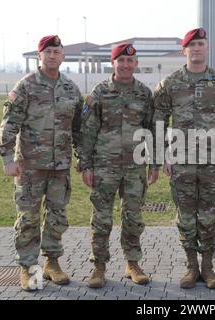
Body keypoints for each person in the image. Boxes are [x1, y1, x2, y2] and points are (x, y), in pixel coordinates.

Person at [152, 28, 215, 289]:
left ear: (206, 48)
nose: (197, 48)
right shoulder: (170, 83)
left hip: (212, 161)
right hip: (181, 161)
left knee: (209, 215)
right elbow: (159, 120)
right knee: (186, 216)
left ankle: (208, 268)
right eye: (192, 45)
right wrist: (161, 155)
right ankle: (191, 266)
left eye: (201, 44)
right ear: (184, 50)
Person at [0, 35, 83, 291]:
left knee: (57, 217)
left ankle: (52, 263)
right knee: (29, 219)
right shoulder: (26, 86)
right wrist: (6, 158)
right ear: (40, 56)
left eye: (57, 51)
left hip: (60, 167)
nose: (53, 55)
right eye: (48, 51)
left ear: (63, 56)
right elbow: (9, 122)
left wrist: (82, 159)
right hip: (30, 167)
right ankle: (28, 269)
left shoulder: (71, 89)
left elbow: (79, 129)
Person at [80, 44, 157, 288]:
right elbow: (88, 130)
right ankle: (99, 266)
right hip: (105, 166)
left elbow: (152, 129)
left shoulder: (144, 94)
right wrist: (86, 165)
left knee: (133, 216)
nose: (125, 65)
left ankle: (132, 263)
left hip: (135, 167)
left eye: (129, 61)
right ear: (113, 63)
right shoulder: (100, 92)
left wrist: (154, 163)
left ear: (136, 64)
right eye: (120, 60)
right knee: (101, 218)